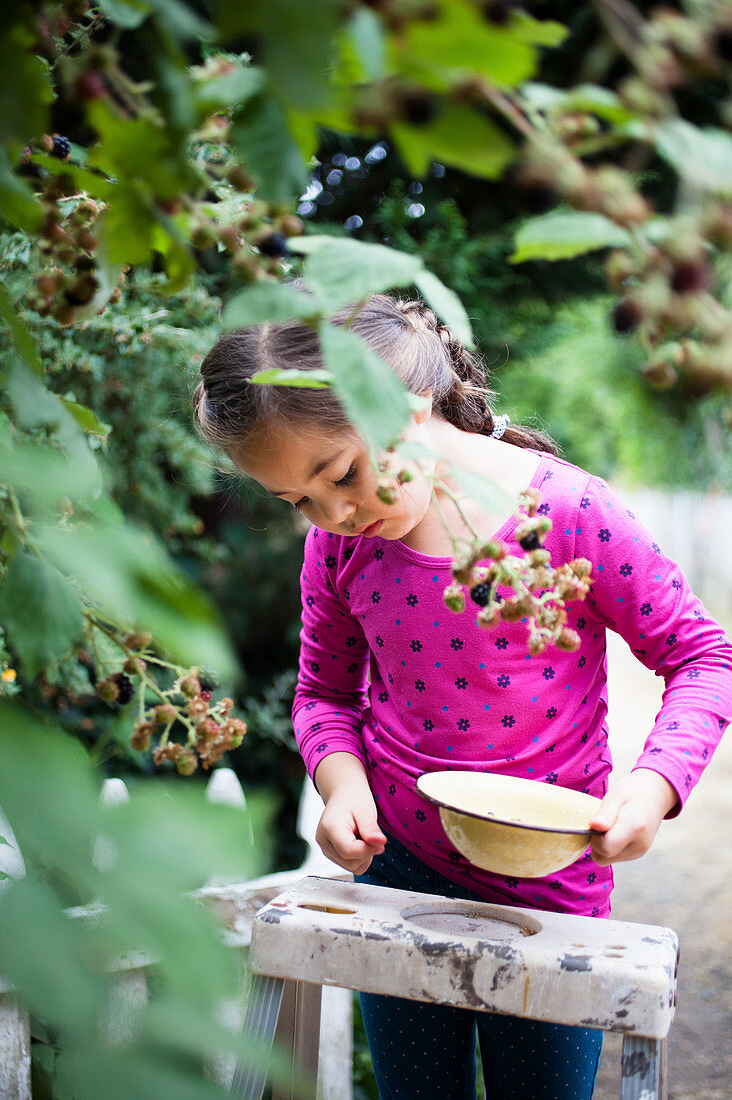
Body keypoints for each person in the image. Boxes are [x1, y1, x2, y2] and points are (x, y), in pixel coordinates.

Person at [193, 292, 731, 1100]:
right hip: (401, 876)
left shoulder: (568, 513)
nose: (332, 513)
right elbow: (322, 695)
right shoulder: (336, 552)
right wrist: (341, 788)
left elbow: (700, 656)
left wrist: (652, 791)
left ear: (407, 407)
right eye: (296, 501)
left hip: (551, 890)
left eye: (341, 473)